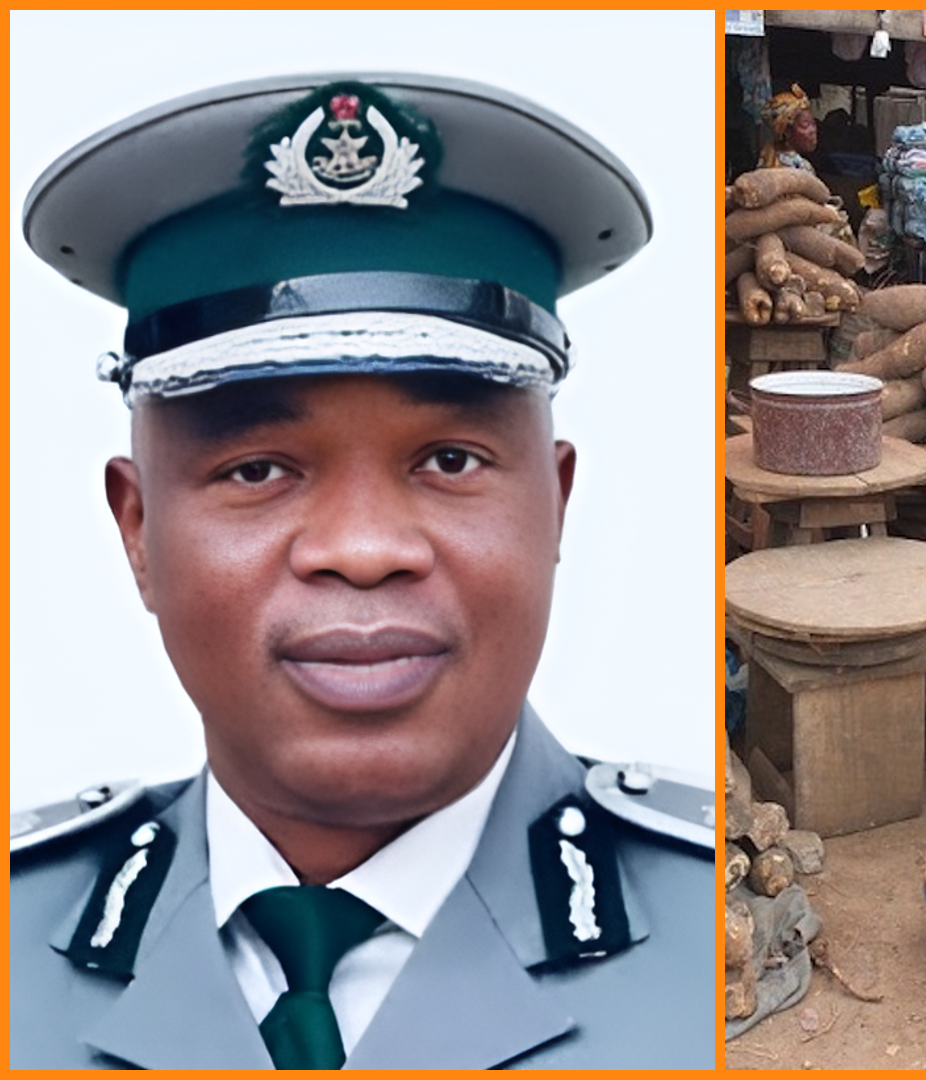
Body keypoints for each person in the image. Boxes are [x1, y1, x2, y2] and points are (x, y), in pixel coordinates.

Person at [11, 74, 713, 1070]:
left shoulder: (726, 940)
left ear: (555, 503)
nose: (365, 547)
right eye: (256, 470)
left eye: (450, 460)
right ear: (137, 529)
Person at [759, 83, 819, 172]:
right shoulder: (800, 167)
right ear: (787, 131)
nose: (813, 130)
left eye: (813, 124)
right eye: (806, 125)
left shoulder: (766, 158)